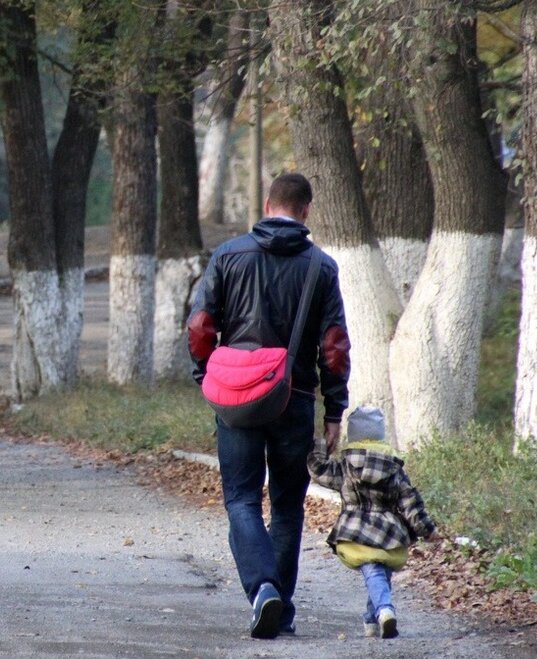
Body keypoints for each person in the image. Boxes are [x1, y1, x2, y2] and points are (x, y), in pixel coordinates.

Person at [185, 172, 351, 639]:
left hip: (235, 398)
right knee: (287, 506)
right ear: (306, 211)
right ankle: (281, 603)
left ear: (266, 204)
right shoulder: (321, 267)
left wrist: (206, 377)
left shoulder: (228, 254)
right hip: (293, 399)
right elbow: (334, 346)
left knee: (240, 498)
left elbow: (200, 327)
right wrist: (334, 410)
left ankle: (263, 591)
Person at [307, 406, 437, 639]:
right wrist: (426, 529)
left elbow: (319, 471)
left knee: (373, 571)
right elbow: (410, 501)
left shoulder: (346, 466)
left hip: (356, 530)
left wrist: (320, 444)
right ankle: (372, 619)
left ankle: (385, 610)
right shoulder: (394, 467)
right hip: (388, 532)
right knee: (380, 571)